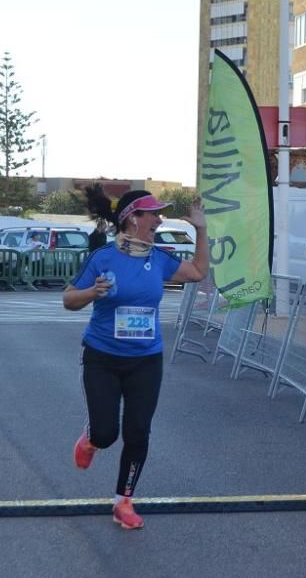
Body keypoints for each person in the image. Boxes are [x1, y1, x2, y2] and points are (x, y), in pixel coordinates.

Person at [63, 185, 209, 530]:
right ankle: (92, 437)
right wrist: (91, 292)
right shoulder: (103, 258)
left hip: (146, 360)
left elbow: (199, 272)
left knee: (138, 432)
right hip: (102, 357)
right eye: (153, 213)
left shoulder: (158, 259)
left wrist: (201, 229)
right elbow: (68, 299)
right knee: (107, 432)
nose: (159, 219)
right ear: (132, 220)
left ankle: (123, 502)